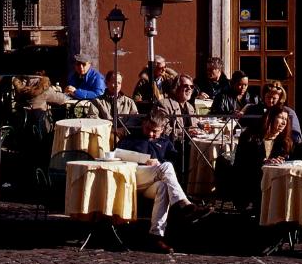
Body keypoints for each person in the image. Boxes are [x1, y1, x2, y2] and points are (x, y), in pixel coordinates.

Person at [117, 111, 213, 253]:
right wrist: (143, 159)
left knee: (162, 187)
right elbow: (117, 155)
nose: (150, 134)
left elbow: (175, 163)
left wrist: (159, 164)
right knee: (166, 167)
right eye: (147, 129)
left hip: (154, 182)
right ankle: (184, 205)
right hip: (134, 178)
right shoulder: (131, 139)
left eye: (154, 131)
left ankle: (155, 236)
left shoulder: (165, 142)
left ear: (162, 129)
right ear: (143, 124)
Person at [232, 105, 293, 215]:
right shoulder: (250, 136)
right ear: (270, 118)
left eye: (285, 119)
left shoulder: (284, 142)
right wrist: (263, 163)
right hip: (250, 181)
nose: (284, 123)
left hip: (275, 183)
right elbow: (242, 164)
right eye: (280, 118)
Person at [87, 71, 139, 135]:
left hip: (124, 135)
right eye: (114, 82)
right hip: (104, 134)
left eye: (119, 83)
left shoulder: (129, 102)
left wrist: (124, 129)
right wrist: (111, 130)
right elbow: (93, 119)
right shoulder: (97, 102)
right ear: (106, 83)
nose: (117, 85)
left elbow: (135, 118)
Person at [157, 74, 202, 141]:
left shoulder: (190, 107)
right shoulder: (164, 104)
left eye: (192, 86)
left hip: (190, 145)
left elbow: (195, 127)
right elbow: (163, 129)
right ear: (176, 88)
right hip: (173, 146)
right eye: (185, 86)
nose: (189, 88)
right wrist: (185, 132)